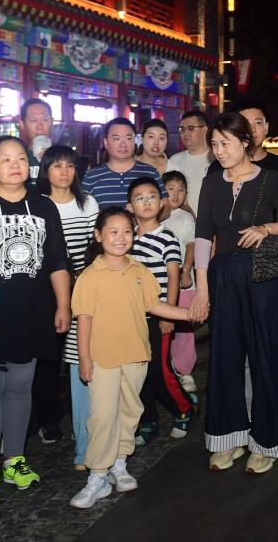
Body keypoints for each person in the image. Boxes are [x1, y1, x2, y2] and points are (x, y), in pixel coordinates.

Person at [192, 113, 278, 474]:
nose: (219, 150)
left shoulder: (272, 179)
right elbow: (201, 237)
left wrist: (267, 228)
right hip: (223, 274)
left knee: (265, 355)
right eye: (214, 144)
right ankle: (228, 438)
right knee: (224, 357)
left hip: (261, 277)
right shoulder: (211, 183)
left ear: (245, 142)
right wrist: (202, 289)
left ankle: (268, 441)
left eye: (225, 143)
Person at [0, 137, 71, 503]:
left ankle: (15, 458)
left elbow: (58, 259)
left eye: (21, 158)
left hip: (33, 311)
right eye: (6, 159)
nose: (15, 165)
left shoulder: (43, 206)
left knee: (22, 386)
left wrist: (63, 305)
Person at [69, 207, 190, 509]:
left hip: (136, 356)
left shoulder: (140, 271)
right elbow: (83, 320)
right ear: (98, 236)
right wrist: (84, 358)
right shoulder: (89, 276)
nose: (121, 237)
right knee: (101, 416)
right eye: (113, 231)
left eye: (127, 231)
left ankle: (119, 464)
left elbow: (155, 305)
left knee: (129, 412)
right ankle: (97, 474)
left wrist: (189, 313)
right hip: (102, 358)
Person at [226, 99, 278, 440]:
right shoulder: (221, 171)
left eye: (257, 123)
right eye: (245, 124)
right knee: (244, 344)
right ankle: (248, 411)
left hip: (275, 267)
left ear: (266, 128)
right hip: (235, 270)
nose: (252, 129)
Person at [37, 145, 100, 469]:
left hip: (83, 290)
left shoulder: (87, 203)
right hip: (43, 293)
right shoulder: (36, 205)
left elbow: (95, 249)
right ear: (45, 169)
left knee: (80, 365)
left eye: (70, 165)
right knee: (45, 367)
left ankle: (85, 443)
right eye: (57, 165)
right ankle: (45, 424)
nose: (64, 171)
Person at [125, 176, 194, 443]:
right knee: (138, 371)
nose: (146, 202)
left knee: (159, 370)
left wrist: (168, 313)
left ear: (161, 202)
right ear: (130, 206)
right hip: (133, 318)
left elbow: (173, 278)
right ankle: (148, 420)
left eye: (152, 196)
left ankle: (185, 409)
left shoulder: (168, 237)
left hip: (159, 315)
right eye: (139, 198)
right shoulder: (127, 238)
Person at [161, 171, 198, 393]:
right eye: (170, 188)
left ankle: (185, 371)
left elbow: (191, 246)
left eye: (181, 189)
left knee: (184, 329)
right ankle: (165, 369)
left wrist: (186, 271)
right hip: (159, 284)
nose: (176, 194)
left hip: (184, 284)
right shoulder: (153, 216)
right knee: (163, 330)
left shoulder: (186, 219)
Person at [83, 118, 161, 209]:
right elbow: (83, 212)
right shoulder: (91, 177)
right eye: (117, 139)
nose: (123, 144)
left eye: (128, 138)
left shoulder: (151, 172)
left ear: (134, 141)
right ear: (106, 143)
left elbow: (165, 207)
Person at [168, 111, 212, 218]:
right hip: (181, 225)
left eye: (191, 128)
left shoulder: (217, 159)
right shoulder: (174, 160)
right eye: (182, 129)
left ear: (205, 130)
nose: (185, 133)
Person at [17, 98, 54, 181]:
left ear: (52, 122)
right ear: (22, 124)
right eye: (33, 120)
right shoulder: (17, 157)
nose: (40, 127)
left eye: (45, 120)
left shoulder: (64, 156)